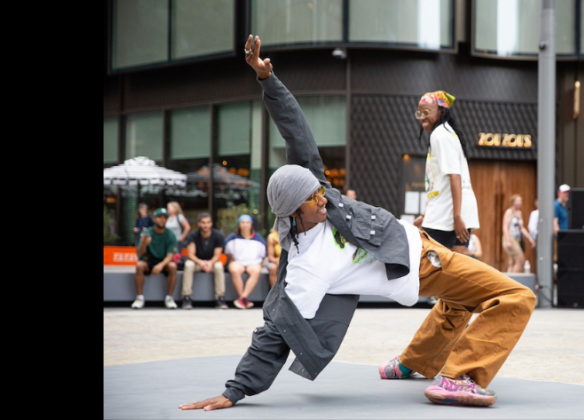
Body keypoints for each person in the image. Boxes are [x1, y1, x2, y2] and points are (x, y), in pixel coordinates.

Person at [178, 35, 535, 412]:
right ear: (294, 212)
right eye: (314, 198)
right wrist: (236, 389)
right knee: (515, 297)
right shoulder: (305, 268)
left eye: (320, 190)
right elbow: (277, 331)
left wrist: (268, 80)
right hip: (421, 262)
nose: (324, 198)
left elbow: (297, 133)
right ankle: (459, 377)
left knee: (460, 299)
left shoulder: (318, 199)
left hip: (420, 246)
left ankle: (413, 362)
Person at [412, 89, 479, 256]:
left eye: (426, 112)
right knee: (453, 271)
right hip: (456, 210)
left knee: (426, 265)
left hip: (446, 215)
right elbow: (442, 184)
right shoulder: (448, 133)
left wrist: (456, 217)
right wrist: (425, 215)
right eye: (419, 112)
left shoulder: (440, 135)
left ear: (441, 111)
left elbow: (454, 176)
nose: (422, 117)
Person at [133, 208, 179, 309]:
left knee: (173, 266)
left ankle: (169, 298)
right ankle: (140, 298)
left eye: (164, 218)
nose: (162, 220)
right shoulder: (147, 232)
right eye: (159, 217)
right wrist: (144, 244)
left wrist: (160, 265)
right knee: (139, 265)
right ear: (154, 219)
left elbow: (170, 255)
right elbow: (140, 254)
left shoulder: (170, 235)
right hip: (149, 260)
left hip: (164, 262)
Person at [181, 213, 228, 310]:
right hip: (197, 263)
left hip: (212, 262)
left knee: (219, 266)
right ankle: (186, 297)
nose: (205, 225)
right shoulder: (193, 235)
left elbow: (217, 255)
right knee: (188, 265)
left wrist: (210, 263)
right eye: (203, 223)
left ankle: (220, 298)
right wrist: (201, 263)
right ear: (199, 224)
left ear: (211, 224)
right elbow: (190, 255)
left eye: (208, 222)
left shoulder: (218, 235)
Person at [224, 214, 267, 309]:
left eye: (247, 222)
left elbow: (263, 254)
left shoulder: (259, 238)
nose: (245, 225)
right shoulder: (232, 237)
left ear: (251, 224)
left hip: (253, 263)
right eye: (242, 222)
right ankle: (243, 299)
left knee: (256, 270)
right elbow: (227, 252)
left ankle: (242, 298)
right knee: (234, 269)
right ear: (239, 224)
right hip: (238, 262)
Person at [502, 194, 536, 273]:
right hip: (510, 238)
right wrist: (508, 241)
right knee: (520, 260)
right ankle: (513, 280)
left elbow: (522, 229)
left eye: (521, 200)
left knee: (512, 262)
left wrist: (530, 239)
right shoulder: (509, 212)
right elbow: (505, 226)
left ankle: (508, 279)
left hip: (517, 239)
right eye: (518, 200)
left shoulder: (519, 213)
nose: (520, 202)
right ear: (513, 202)